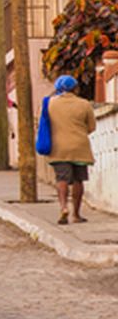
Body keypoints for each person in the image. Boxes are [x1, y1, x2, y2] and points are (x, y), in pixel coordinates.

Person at [46, 75, 97, 225]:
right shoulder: (84, 104)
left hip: (59, 147)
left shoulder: (50, 104)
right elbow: (92, 127)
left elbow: (44, 124)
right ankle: (76, 214)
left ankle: (63, 208)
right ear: (75, 88)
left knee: (62, 179)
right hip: (80, 146)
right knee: (78, 180)